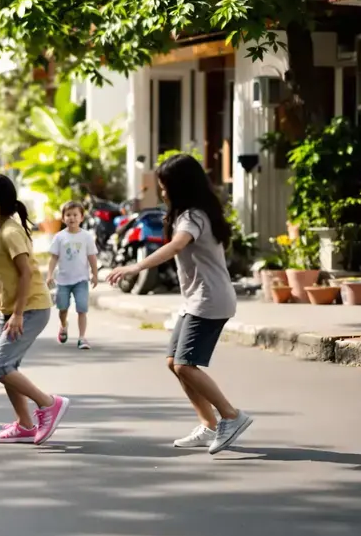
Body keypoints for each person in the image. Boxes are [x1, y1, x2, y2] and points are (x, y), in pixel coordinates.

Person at [109, 154, 253, 454]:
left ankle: (231, 416)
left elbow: (177, 245)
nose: (162, 192)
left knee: (186, 365)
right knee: (174, 363)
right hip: (197, 299)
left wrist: (137, 267)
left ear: (180, 185)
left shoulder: (193, 217)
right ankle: (209, 424)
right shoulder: (193, 213)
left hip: (210, 299)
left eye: (165, 186)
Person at [0, 174, 70, 445]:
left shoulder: (11, 232)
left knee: (2, 364)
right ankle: (25, 425)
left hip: (31, 308)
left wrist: (16, 314)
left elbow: (25, 274)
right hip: (9, 310)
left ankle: (49, 404)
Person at [46, 201, 99, 349]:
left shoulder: (87, 237)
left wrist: (94, 274)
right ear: (63, 218)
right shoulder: (59, 237)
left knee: (82, 308)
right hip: (63, 281)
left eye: (75, 215)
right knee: (62, 308)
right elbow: (54, 258)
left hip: (81, 280)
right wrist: (50, 275)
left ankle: (82, 338)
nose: (72, 218)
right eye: (68, 215)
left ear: (81, 217)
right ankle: (63, 325)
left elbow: (92, 257)